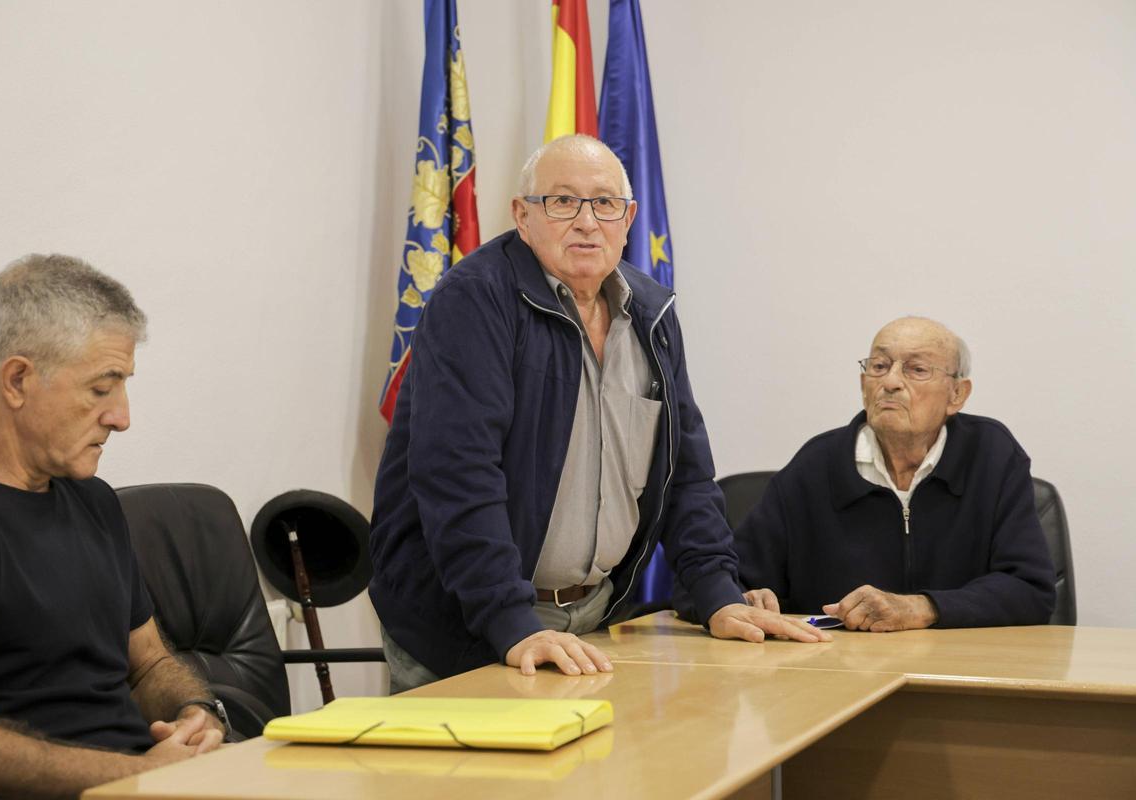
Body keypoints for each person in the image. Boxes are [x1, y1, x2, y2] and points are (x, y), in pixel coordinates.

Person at [370, 135, 827, 693]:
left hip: (594, 623)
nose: (587, 221)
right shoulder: (475, 300)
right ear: (522, 215)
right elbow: (458, 478)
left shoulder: (652, 311)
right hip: (468, 625)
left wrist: (717, 597)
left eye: (605, 203)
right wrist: (510, 623)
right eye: (562, 201)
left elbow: (683, 471)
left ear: (629, 217)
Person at [0, 255, 227, 798]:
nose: (122, 416)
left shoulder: (93, 500)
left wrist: (196, 713)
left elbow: (147, 666)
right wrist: (135, 776)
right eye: (102, 388)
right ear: (18, 380)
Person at [735, 317, 1056, 631]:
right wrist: (741, 599)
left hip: (960, 670)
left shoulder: (992, 456)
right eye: (878, 366)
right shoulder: (816, 466)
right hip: (842, 673)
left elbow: (1030, 590)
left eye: (916, 369)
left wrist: (924, 607)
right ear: (863, 385)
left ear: (957, 394)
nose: (890, 382)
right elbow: (716, 579)